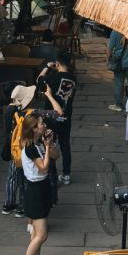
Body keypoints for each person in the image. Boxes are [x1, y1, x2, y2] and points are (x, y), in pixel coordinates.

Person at [18, 116, 59, 255]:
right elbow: (43, 167)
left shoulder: (38, 143)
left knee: (35, 232)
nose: (45, 125)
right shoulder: (30, 148)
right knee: (41, 235)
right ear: (34, 128)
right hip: (34, 191)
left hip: (41, 188)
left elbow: (56, 156)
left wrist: (50, 143)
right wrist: (47, 147)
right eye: (42, 124)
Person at [1, 84, 36, 217]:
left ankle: (8, 204)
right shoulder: (31, 114)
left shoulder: (10, 111)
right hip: (26, 149)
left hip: (14, 149)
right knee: (24, 178)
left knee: (12, 177)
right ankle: (22, 206)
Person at [45, 54, 76, 184]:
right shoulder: (73, 79)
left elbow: (39, 80)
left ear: (57, 64)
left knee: (49, 144)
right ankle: (66, 174)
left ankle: (50, 172)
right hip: (65, 117)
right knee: (65, 145)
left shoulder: (52, 78)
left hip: (51, 116)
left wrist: (47, 67)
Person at [106, 31, 128, 112]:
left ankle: (118, 104)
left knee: (118, 83)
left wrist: (107, 61)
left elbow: (109, 49)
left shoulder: (115, 32)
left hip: (119, 63)